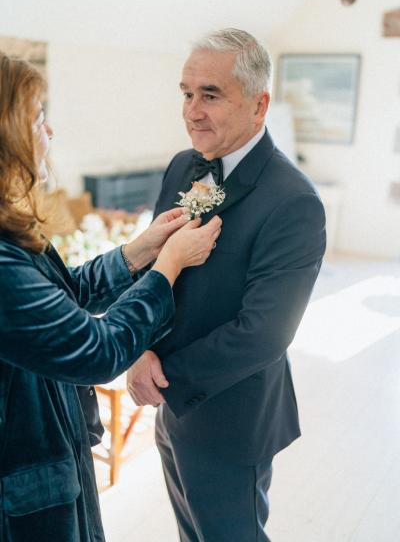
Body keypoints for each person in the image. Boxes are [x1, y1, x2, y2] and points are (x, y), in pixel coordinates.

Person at [0, 51, 222, 542]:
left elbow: (65, 295)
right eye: (38, 119)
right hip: (21, 495)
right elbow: (96, 351)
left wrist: (138, 251)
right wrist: (168, 267)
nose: (49, 132)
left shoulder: (9, 230)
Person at [127, 28, 326, 541]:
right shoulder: (181, 165)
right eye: (187, 93)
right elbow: (159, 268)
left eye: (210, 95)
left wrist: (161, 374)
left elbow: (263, 333)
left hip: (231, 422)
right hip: (172, 412)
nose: (192, 110)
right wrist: (142, 346)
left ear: (259, 106)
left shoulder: (293, 201)